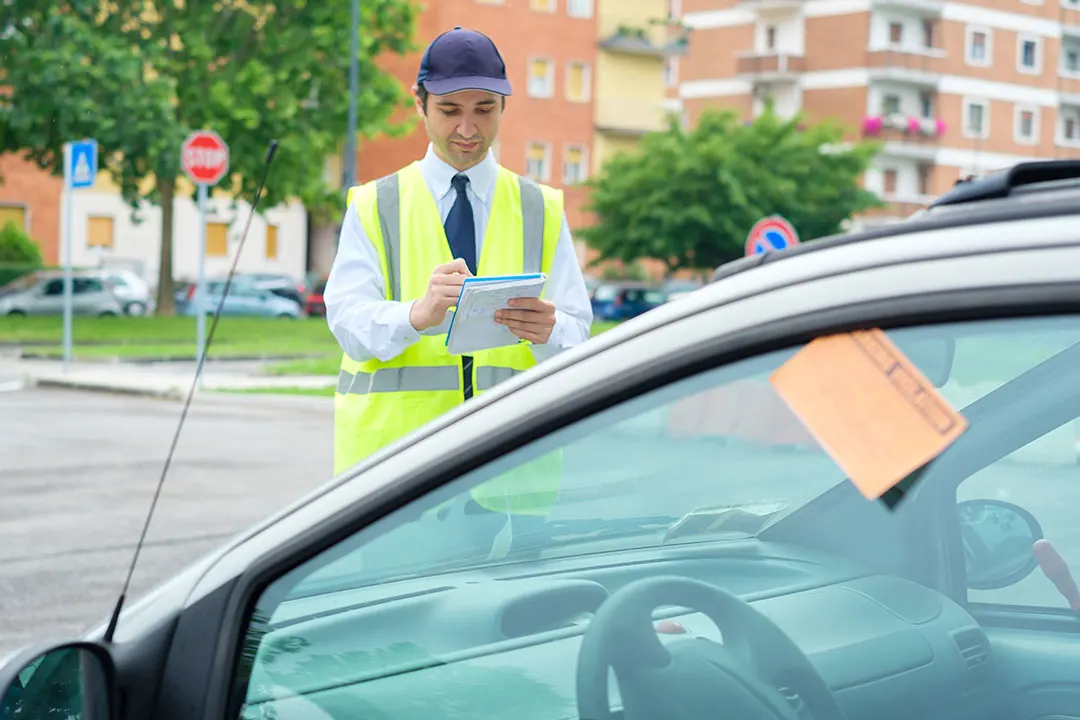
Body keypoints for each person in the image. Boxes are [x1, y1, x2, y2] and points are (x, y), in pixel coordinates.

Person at [324, 26, 594, 520]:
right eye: (450, 110)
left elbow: (578, 334)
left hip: (512, 479)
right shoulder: (373, 205)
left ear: (503, 107)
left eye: (484, 110)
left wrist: (550, 331)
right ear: (420, 103)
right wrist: (416, 314)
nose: (468, 129)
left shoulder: (542, 208)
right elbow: (347, 324)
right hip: (394, 482)